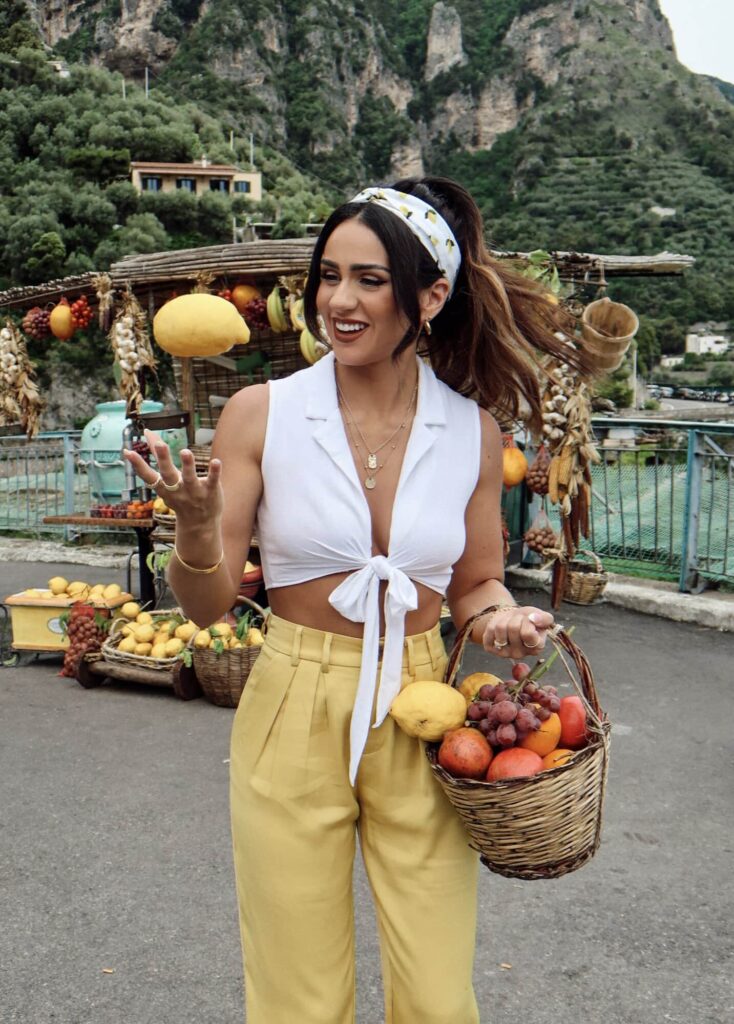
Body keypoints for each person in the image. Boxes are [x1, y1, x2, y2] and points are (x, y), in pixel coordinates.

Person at [124, 175, 584, 1023]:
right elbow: (204, 607)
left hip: (424, 704)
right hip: (294, 696)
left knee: (438, 990)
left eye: (370, 280)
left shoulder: (472, 434)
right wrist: (193, 530)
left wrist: (502, 618)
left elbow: (476, 582)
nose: (339, 299)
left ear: (430, 295)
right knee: (296, 987)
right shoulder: (261, 415)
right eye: (328, 275)